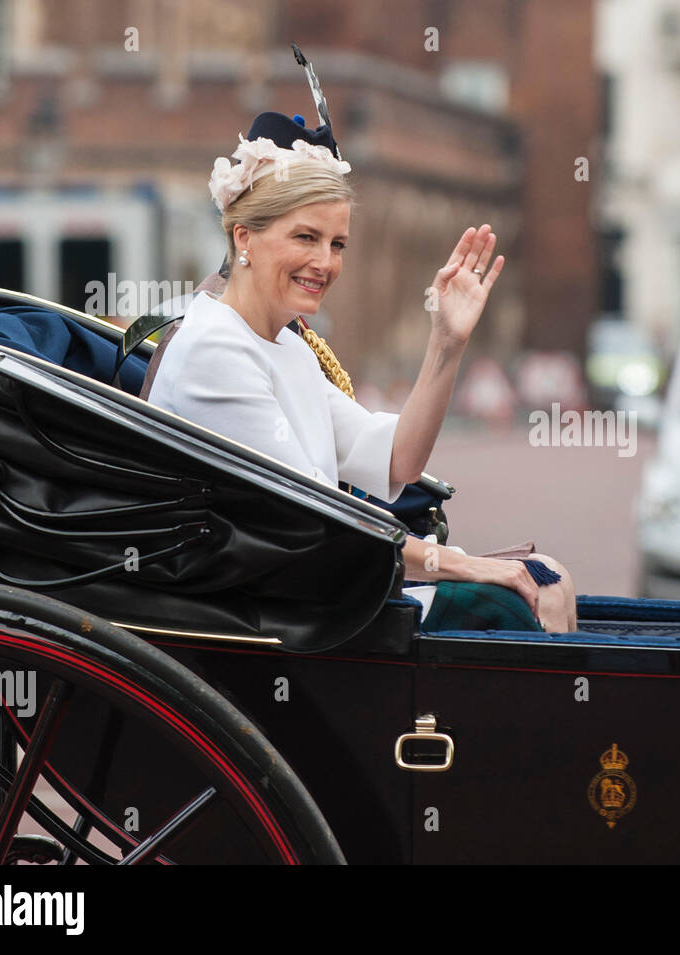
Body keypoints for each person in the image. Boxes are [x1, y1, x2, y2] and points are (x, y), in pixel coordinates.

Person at [147, 109, 576, 632]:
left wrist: (446, 341)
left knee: (547, 578)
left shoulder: (284, 345)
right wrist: (464, 564)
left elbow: (399, 462)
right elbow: (322, 522)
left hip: (314, 591)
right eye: (305, 237)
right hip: (273, 618)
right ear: (244, 239)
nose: (325, 263)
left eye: (337, 244)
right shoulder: (215, 348)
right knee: (538, 591)